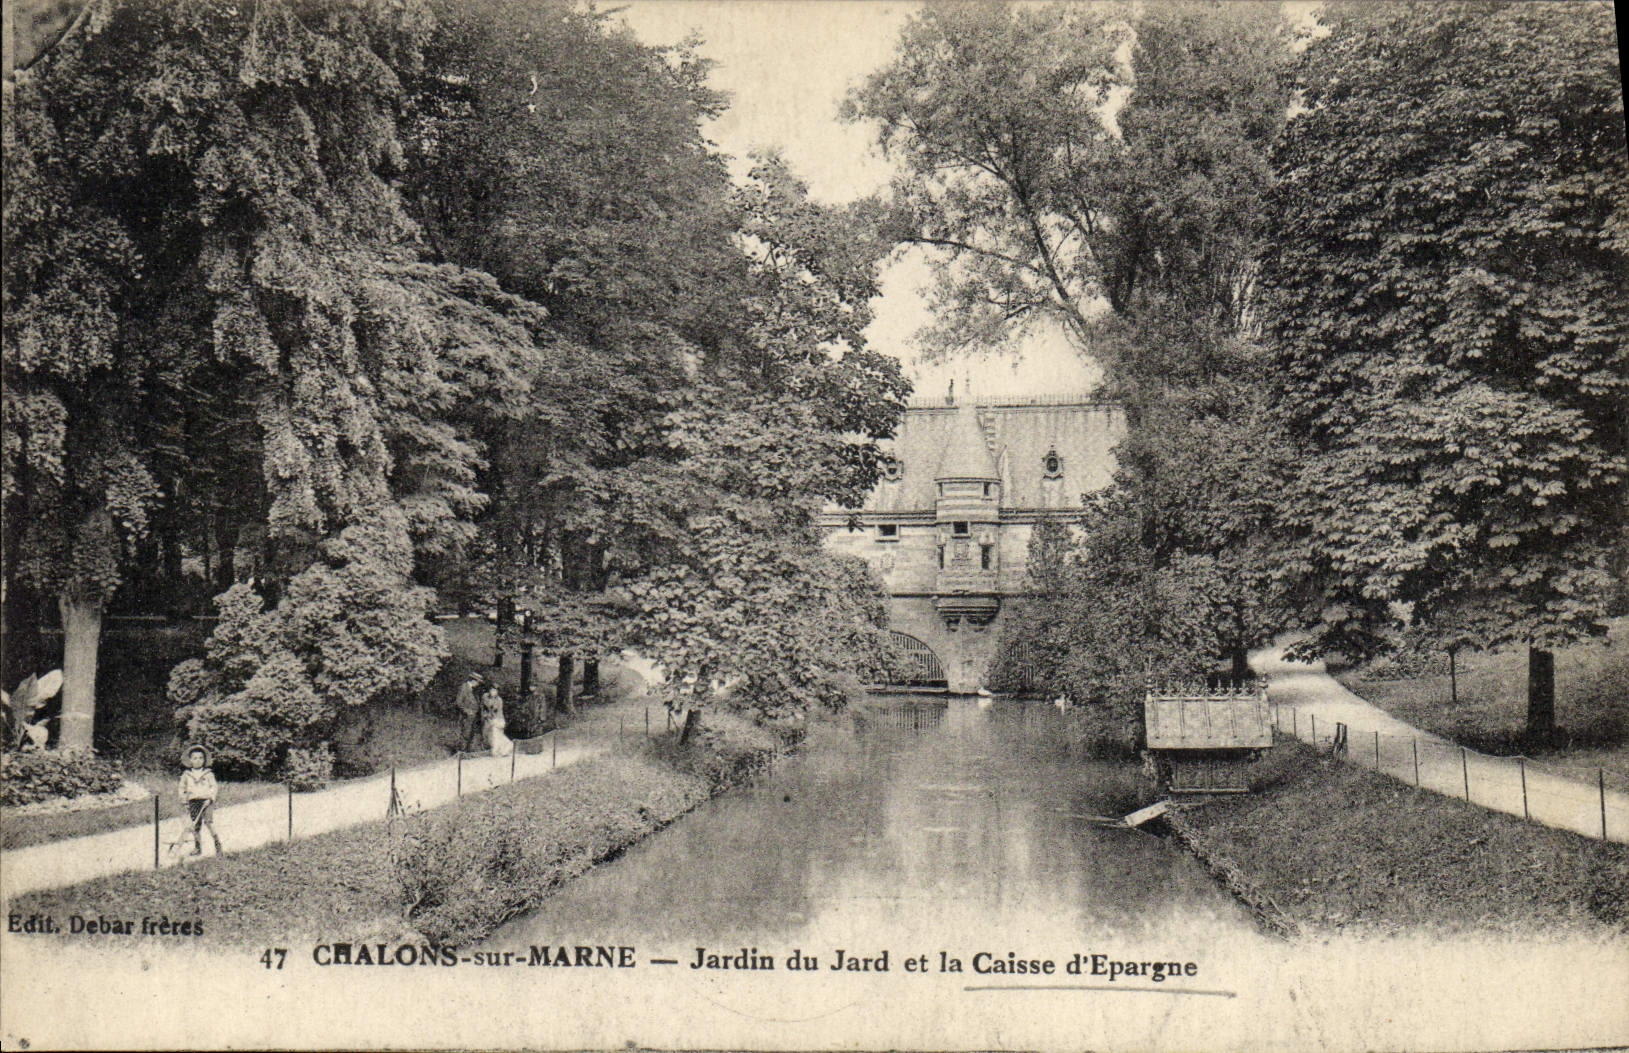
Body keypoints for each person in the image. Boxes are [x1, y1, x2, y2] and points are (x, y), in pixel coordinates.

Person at [178, 745, 223, 856]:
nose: (198, 761)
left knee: (208, 822)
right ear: (190, 760)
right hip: (193, 802)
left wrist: (210, 798)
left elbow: (214, 787)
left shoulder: (208, 774)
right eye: (195, 758)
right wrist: (184, 801)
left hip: (206, 802)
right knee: (195, 825)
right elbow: (181, 788)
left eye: (200, 758)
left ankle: (218, 844)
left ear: (204, 760)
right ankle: (198, 848)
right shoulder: (186, 775)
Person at [455, 671, 485, 753]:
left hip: (473, 716)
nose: (478, 684)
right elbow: (458, 702)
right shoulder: (464, 688)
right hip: (466, 716)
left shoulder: (473, 690)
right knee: (465, 733)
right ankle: (460, 752)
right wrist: (467, 711)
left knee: (471, 734)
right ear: (473, 680)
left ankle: (467, 752)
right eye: (478, 682)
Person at [481, 685, 512, 757]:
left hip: (497, 719)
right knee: (489, 735)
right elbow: (483, 708)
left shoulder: (499, 700)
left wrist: (491, 717)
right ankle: (492, 749)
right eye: (492, 690)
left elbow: (497, 711)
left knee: (496, 735)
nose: (493, 692)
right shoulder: (485, 697)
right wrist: (485, 715)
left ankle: (497, 751)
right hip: (487, 719)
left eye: (495, 691)